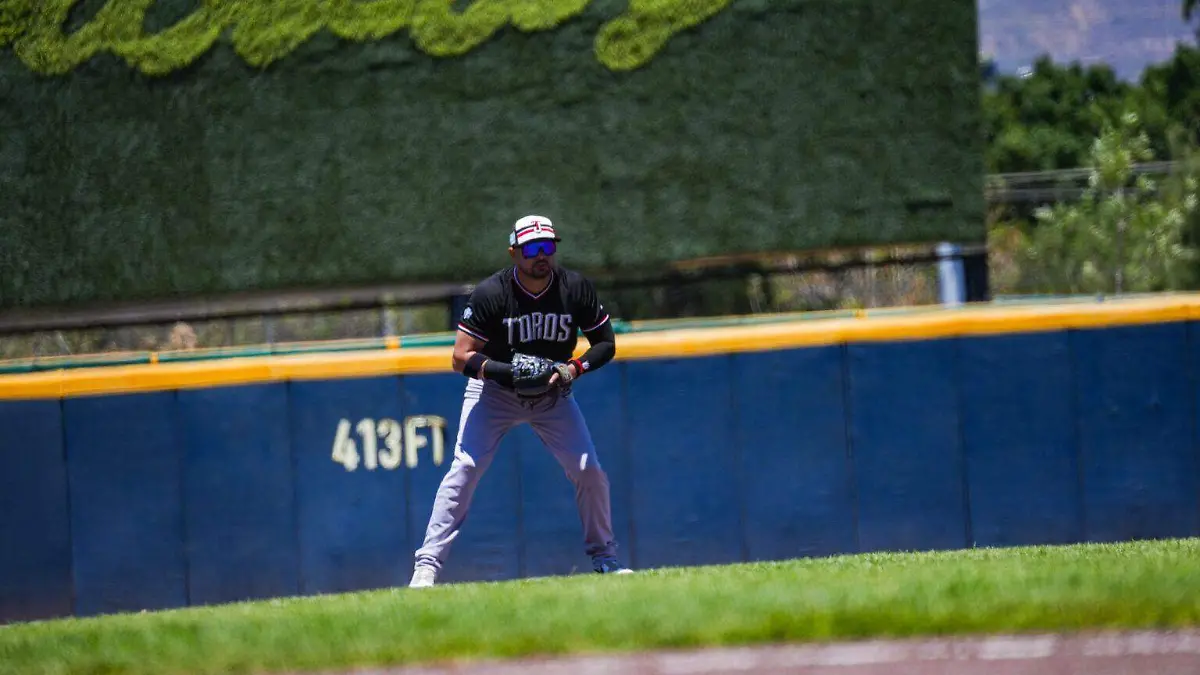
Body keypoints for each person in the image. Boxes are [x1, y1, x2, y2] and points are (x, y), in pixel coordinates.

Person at [408, 214, 633, 588]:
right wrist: (508, 373)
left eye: (548, 247)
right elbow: (460, 357)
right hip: (494, 394)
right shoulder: (491, 294)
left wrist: (572, 370)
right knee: (464, 469)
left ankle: (605, 558)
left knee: (588, 470)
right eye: (532, 249)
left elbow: (606, 343)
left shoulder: (573, 288)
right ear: (514, 253)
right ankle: (426, 566)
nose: (541, 256)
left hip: (552, 394)